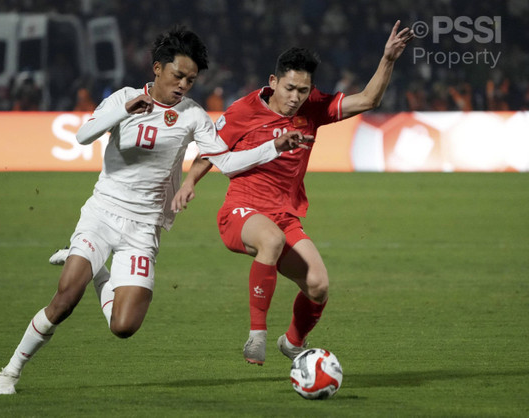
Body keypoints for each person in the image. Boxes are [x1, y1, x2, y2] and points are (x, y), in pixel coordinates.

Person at [0, 26, 311, 395]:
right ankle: (10, 372)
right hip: (103, 212)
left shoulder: (193, 116)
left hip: (144, 226)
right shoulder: (123, 98)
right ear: (157, 68)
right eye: (178, 76)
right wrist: (123, 111)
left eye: (191, 80)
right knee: (65, 299)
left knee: (123, 326)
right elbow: (82, 135)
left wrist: (275, 146)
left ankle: (101, 274)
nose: (183, 85)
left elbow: (226, 162)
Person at [172, 21, 414, 365]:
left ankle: (292, 342)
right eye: (289, 88)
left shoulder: (312, 107)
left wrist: (387, 58)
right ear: (273, 83)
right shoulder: (242, 111)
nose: (295, 97)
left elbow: (369, 99)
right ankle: (257, 337)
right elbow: (212, 153)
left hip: (285, 215)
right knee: (269, 240)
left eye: (303, 90)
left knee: (318, 285)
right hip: (241, 212)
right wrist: (189, 183)